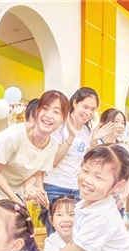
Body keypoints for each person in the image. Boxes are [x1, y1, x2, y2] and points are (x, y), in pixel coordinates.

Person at [0, 90, 69, 207]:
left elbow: (36, 174)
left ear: (63, 119)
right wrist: (14, 198)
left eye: (56, 112)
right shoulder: (14, 136)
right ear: (37, 111)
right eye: (45, 108)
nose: (48, 115)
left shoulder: (53, 145)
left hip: (11, 189)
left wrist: (28, 188)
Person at [42, 88, 108, 234]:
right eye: (85, 107)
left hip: (76, 189)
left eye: (93, 109)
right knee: (56, 236)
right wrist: (71, 137)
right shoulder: (60, 127)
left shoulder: (87, 131)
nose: (88, 112)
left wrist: (93, 141)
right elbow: (53, 161)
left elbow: (84, 164)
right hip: (54, 186)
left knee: (74, 236)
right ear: (74, 103)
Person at [91, 108, 129, 213]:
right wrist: (93, 141)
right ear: (103, 123)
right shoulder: (94, 144)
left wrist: (124, 196)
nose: (120, 126)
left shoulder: (124, 149)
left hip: (116, 203)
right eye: (116, 121)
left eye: (123, 123)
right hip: (94, 199)